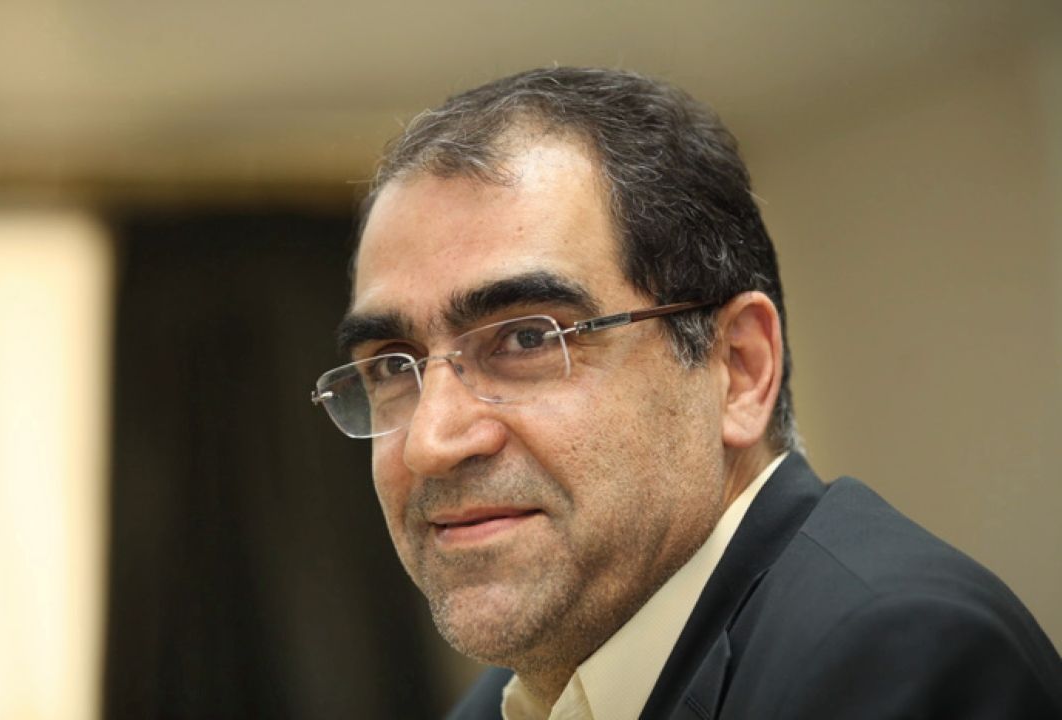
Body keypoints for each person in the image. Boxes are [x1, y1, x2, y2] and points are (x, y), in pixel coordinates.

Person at [312, 67, 1062, 719]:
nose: (431, 441)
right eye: (392, 368)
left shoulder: (895, 657)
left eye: (529, 338)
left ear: (739, 368)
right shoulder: (508, 705)